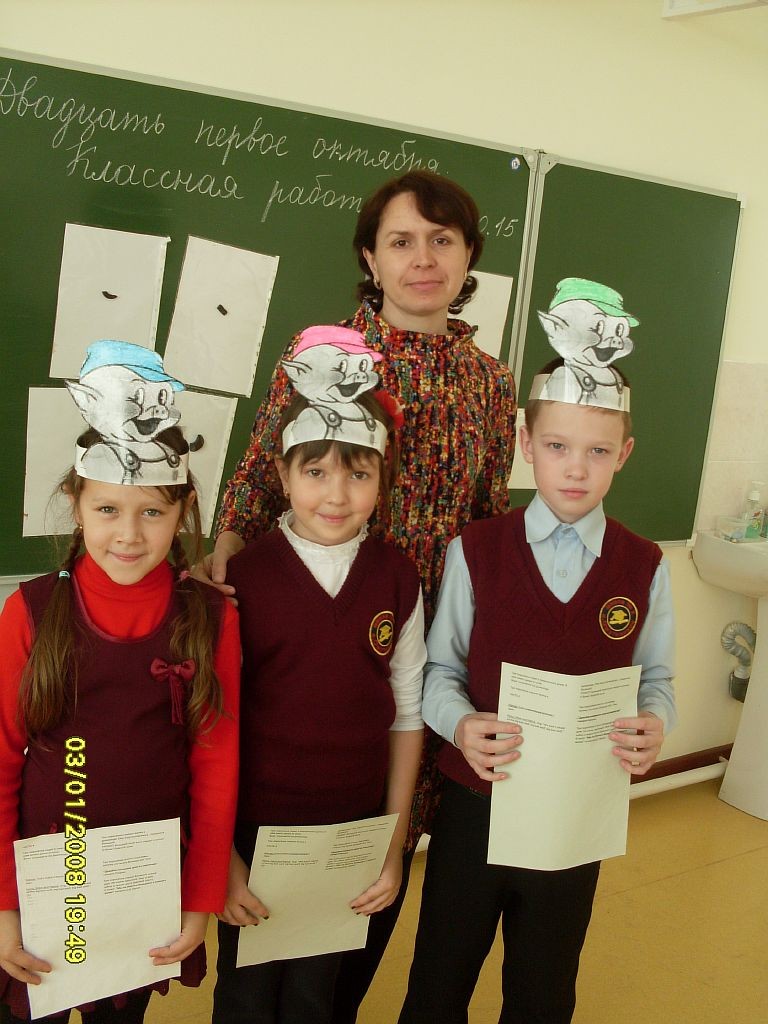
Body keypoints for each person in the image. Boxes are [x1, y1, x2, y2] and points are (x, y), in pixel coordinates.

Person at [199, 169, 517, 1020]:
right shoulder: (322, 355)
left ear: (469, 256)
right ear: (370, 259)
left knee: (377, 861)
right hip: (311, 641)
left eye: (442, 240)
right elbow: (256, 481)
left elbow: (489, 518)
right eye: (401, 241)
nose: (423, 258)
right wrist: (222, 556)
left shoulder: (491, 382)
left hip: (422, 660)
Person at [398, 341, 676, 1023]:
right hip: (477, 808)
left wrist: (655, 723)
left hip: (574, 817)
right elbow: (439, 672)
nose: (576, 468)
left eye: (598, 451)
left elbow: (657, 679)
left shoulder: (644, 565)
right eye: (557, 446)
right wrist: (461, 724)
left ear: (624, 453)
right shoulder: (476, 550)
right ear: (526, 444)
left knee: (544, 990)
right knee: (438, 983)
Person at [0, 341, 240, 1023]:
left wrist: (200, 897)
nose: (129, 535)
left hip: (142, 892)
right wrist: (4, 906)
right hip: (44, 885)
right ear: (75, 505)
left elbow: (216, 764)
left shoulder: (211, 618)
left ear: (183, 510)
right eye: (107, 509)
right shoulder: (29, 612)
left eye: (152, 512)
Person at [211, 325, 426, 1024]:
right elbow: (212, 726)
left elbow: (407, 712)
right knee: (246, 997)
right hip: (256, 832)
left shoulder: (396, 577)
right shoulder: (241, 580)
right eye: (315, 472)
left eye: (358, 473)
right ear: (281, 476)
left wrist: (391, 842)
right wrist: (222, 858)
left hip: (350, 834)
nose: (336, 494)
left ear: (382, 478)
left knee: (316, 996)